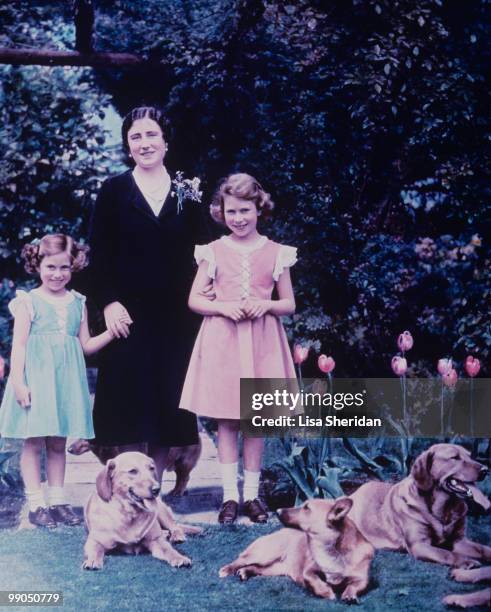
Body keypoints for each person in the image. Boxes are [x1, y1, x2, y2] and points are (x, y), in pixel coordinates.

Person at [88, 106, 207, 480]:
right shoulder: (113, 191)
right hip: (127, 316)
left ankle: (152, 488)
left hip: (176, 318)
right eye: (136, 136)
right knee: (126, 404)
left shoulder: (187, 193)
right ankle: (125, 485)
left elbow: (204, 254)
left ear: (166, 143)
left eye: (151, 134)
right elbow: (99, 253)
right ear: (127, 146)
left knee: (167, 406)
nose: (144, 143)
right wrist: (107, 302)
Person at [180, 173, 298, 524]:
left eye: (245, 210)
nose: (239, 218)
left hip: (261, 341)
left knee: (255, 419)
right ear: (221, 212)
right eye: (232, 211)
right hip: (225, 340)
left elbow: (288, 302)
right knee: (227, 420)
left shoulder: (277, 252)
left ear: (259, 208)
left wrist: (267, 305)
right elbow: (194, 299)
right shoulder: (214, 251)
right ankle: (229, 497)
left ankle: (252, 497)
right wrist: (222, 306)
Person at [0, 234, 119, 528]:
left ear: (73, 266)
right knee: (33, 442)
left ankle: (57, 501)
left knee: (57, 444)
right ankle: (36, 503)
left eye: (64, 267)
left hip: (65, 383)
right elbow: (20, 345)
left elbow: (85, 346)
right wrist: (17, 381)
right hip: (37, 380)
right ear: (38, 265)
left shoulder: (78, 302)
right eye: (50, 267)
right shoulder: (29, 302)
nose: (57, 274)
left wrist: (112, 333)